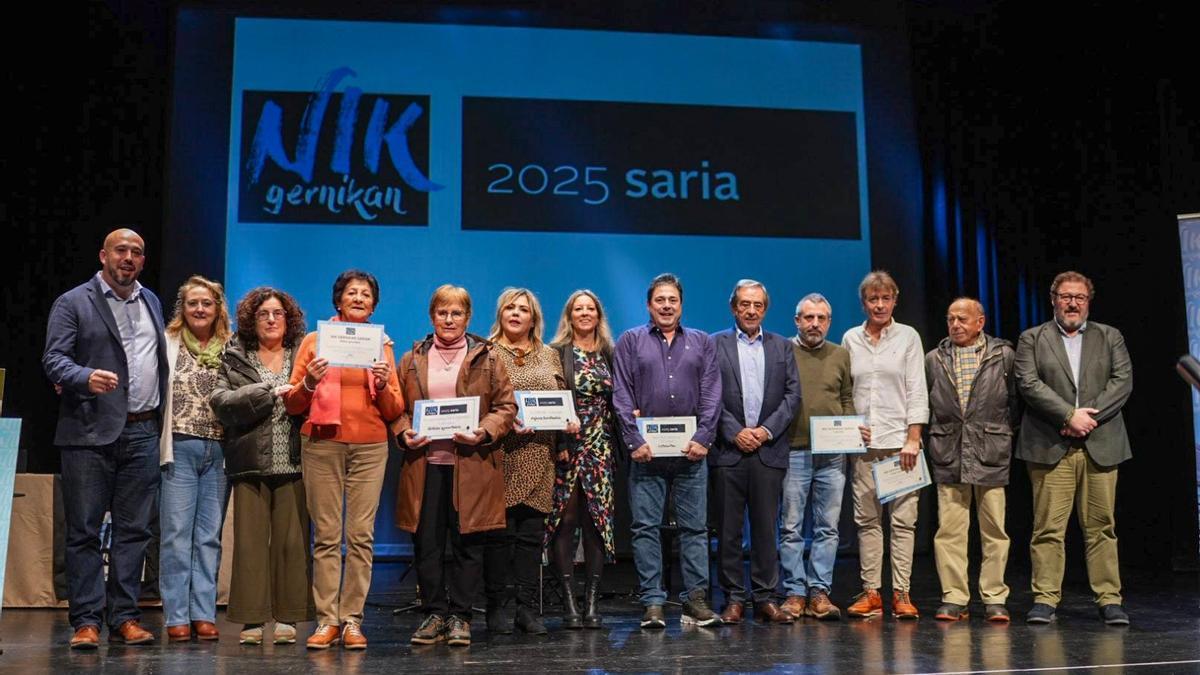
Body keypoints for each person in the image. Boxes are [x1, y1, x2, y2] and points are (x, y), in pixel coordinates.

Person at [42, 228, 169, 648]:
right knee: (84, 531)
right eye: (121, 250)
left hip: (142, 431)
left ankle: (125, 618)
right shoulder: (74, 302)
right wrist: (83, 376)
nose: (128, 257)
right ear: (103, 256)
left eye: (136, 251)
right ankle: (86, 621)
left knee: (134, 532)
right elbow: (54, 359)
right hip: (90, 433)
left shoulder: (151, 300)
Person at [284, 270, 404, 649]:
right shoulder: (315, 342)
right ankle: (327, 621)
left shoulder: (381, 345)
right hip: (322, 445)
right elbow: (292, 402)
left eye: (365, 294)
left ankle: (352, 619)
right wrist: (310, 381)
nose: (358, 298)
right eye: (351, 292)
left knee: (361, 537)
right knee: (327, 536)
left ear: (373, 305)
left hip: (370, 447)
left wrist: (383, 383)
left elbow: (395, 408)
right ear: (338, 300)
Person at [394, 285, 517, 647]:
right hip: (425, 463)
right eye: (442, 313)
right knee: (427, 543)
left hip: (471, 464)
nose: (449, 320)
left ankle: (461, 616)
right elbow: (396, 409)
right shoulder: (412, 358)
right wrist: (404, 434)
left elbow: (506, 408)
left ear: (468, 317)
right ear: (432, 316)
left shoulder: (489, 358)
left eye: (456, 313)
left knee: (468, 543)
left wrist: (483, 431)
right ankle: (433, 613)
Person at [1015, 271, 1132, 626]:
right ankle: (1045, 599)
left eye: (1079, 297)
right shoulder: (1032, 338)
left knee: (1101, 526)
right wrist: (1068, 415)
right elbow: (1028, 382)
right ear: (1053, 300)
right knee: (1048, 527)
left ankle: (1109, 599)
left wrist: (1086, 418)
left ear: (1088, 301)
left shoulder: (1110, 336)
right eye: (1065, 296)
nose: (1072, 303)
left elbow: (1122, 381)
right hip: (1051, 442)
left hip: (1101, 443)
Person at [613, 273, 722, 629]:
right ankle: (653, 603)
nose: (666, 305)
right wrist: (634, 440)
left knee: (695, 529)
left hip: (692, 454)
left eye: (672, 300)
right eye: (660, 300)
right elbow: (622, 395)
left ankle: (695, 602)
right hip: (646, 454)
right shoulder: (630, 341)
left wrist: (704, 437)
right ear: (649, 305)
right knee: (645, 528)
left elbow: (711, 394)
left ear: (681, 304)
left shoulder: (702, 342)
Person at [210, 287, 315, 645]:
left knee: (292, 543)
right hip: (250, 460)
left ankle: (288, 617)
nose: (271, 319)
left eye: (278, 314)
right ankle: (252, 620)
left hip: (295, 459)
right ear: (252, 321)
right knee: (250, 545)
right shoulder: (237, 355)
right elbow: (220, 400)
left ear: (289, 320)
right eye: (263, 314)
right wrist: (266, 394)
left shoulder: (302, 354)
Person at [483, 287, 574, 635]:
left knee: (531, 537)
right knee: (499, 536)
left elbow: (561, 397)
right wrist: (504, 422)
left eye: (524, 309)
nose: (516, 313)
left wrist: (567, 426)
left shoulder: (550, 355)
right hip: (500, 454)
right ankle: (497, 606)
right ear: (501, 314)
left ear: (534, 317)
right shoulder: (487, 352)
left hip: (540, 453)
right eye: (510, 307)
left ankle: (526, 608)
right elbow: (479, 400)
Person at [710, 280, 801, 625]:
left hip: (768, 451)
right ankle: (733, 598)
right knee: (729, 532)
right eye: (745, 304)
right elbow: (709, 395)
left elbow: (793, 396)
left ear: (765, 309)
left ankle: (765, 597)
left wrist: (763, 432)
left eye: (758, 305)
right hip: (728, 453)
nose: (751, 310)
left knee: (766, 529)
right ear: (734, 307)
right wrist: (735, 432)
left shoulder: (782, 347)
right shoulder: (714, 344)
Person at [841, 270, 929, 620]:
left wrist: (914, 437)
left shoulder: (908, 337)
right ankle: (872, 593)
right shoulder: (851, 338)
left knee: (904, 523)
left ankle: (902, 594)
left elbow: (917, 389)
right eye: (872, 299)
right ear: (864, 303)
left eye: (885, 298)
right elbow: (846, 391)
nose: (879, 304)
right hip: (864, 447)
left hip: (901, 446)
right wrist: (850, 428)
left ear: (895, 300)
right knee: (867, 522)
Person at [925, 298, 1017, 623]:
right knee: (949, 530)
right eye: (950, 319)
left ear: (981, 322)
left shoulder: (1003, 356)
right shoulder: (934, 359)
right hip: (948, 451)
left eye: (962, 319)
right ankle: (954, 597)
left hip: (990, 451)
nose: (955, 325)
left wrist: (1000, 436)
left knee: (994, 529)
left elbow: (1013, 405)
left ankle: (994, 596)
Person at [158, 275, 231, 642]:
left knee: (208, 537)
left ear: (218, 308)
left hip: (218, 451)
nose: (199, 309)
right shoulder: (168, 343)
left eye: (206, 303)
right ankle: (176, 614)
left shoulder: (231, 348)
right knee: (175, 535)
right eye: (192, 303)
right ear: (182, 309)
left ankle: (203, 611)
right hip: (179, 448)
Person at [779, 293, 855, 621]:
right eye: (808, 317)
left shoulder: (840, 354)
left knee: (828, 527)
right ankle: (795, 592)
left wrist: (853, 432)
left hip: (833, 454)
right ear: (797, 320)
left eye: (821, 318)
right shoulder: (782, 350)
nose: (815, 323)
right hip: (794, 451)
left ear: (829, 322)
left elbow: (846, 396)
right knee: (791, 526)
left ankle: (819, 591)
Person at [547, 290, 619, 629]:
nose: (585, 313)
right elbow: (552, 399)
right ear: (569, 315)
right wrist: (560, 439)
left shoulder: (610, 353)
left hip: (601, 447)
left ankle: (591, 603)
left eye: (591, 308)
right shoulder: (557, 352)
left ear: (598, 315)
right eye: (579, 308)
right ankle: (569, 602)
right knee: (566, 520)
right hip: (568, 446)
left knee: (596, 523)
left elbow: (620, 398)